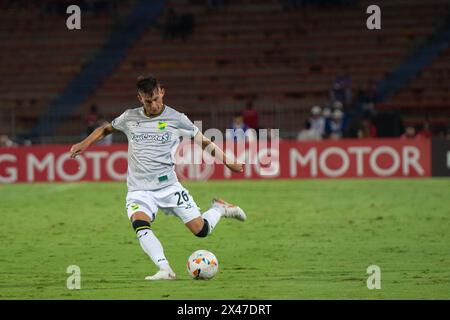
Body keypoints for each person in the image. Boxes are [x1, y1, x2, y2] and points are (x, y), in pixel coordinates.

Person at [70, 76, 247, 281]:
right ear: (140, 99)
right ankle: (165, 269)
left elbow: (204, 142)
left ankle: (219, 208)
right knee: (140, 224)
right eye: (147, 101)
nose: (153, 105)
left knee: (202, 231)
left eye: (155, 99)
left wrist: (227, 161)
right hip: (139, 189)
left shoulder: (177, 118)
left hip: (169, 187)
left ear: (162, 92)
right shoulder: (129, 117)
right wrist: (85, 143)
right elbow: (105, 128)